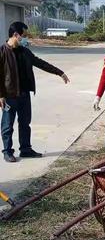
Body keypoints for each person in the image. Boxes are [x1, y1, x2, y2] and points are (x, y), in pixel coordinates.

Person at [0, 22, 70, 163]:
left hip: (24, 95)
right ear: (16, 35)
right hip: (9, 96)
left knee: (25, 123)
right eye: (24, 35)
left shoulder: (25, 51)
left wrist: (59, 72)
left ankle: (26, 149)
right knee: (7, 126)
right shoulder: (2, 52)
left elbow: (40, 63)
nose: (26, 38)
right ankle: (7, 152)